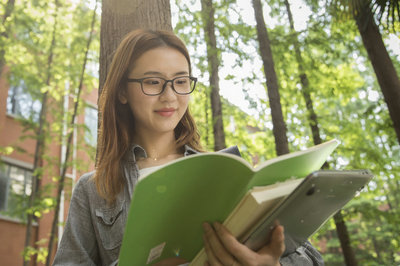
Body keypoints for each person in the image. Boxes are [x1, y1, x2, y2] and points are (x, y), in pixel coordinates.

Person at [53, 29, 324, 266]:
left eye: (181, 81)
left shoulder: (225, 172)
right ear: (123, 91)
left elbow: (311, 258)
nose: (169, 96)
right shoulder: (94, 189)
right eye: (153, 82)